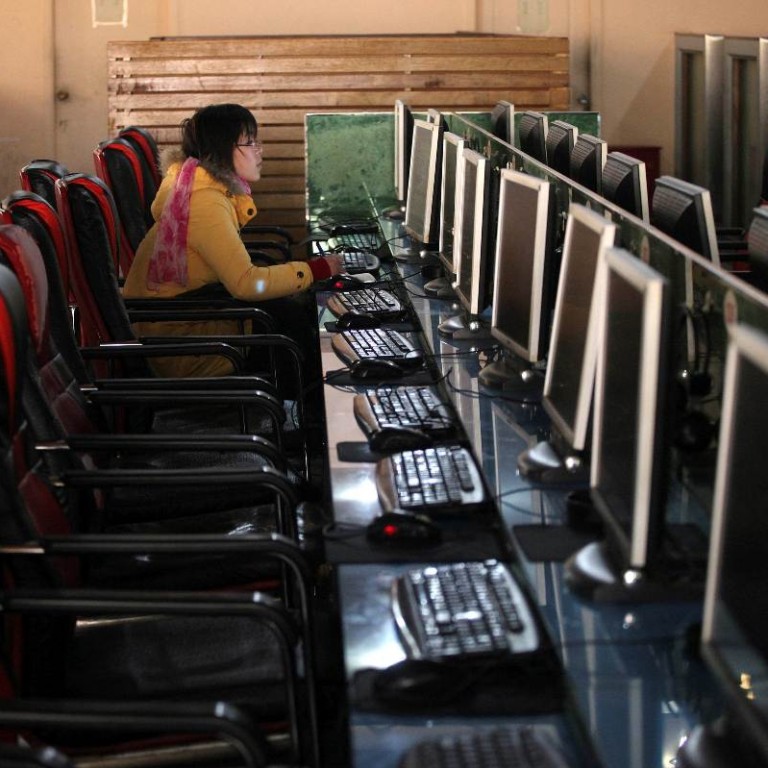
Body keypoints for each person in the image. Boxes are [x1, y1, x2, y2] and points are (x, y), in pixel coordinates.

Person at [123, 103, 344, 378]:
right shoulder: (204, 201)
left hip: (184, 321)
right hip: (183, 347)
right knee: (292, 322)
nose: (259, 150)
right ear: (223, 149)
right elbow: (246, 284)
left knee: (288, 311)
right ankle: (313, 402)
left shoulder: (195, 187)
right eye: (249, 142)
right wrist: (317, 269)